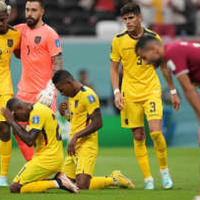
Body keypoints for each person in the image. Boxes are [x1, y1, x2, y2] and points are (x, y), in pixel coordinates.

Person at [110, 2, 173, 189]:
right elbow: (114, 69)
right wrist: (116, 92)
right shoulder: (118, 40)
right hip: (130, 93)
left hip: (151, 90)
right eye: (125, 19)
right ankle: (148, 179)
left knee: (156, 133)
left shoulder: (154, 37)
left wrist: (172, 90)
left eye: (131, 18)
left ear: (139, 17)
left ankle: (164, 172)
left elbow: (162, 65)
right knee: (138, 136)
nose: (128, 22)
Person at [53, 70, 135, 190]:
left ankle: (114, 179)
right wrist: (64, 115)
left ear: (68, 82)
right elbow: (78, 121)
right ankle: (87, 177)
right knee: (63, 183)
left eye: (61, 90)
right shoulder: (72, 97)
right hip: (74, 146)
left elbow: (98, 123)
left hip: (87, 145)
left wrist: (76, 136)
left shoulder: (88, 95)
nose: (62, 93)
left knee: (81, 186)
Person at [13, 0, 63, 162]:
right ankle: (33, 165)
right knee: (18, 129)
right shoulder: (20, 30)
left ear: (42, 12)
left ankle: (49, 169)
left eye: (33, 10)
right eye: (27, 9)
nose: (29, 13)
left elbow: (58, 62)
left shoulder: (50, 33)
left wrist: (51, 86)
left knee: (44, 135)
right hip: (24, 92)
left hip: (44, 93)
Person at [1, 98, 79, 194]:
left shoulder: (37, 113)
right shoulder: (38, 109)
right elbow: (34, 142)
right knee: (26, 185)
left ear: (19, 108)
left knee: (15, 187)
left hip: (47, 159)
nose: (19, 120)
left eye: (16, 117)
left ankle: (59, 182)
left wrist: (12, 122)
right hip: (52, 157)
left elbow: (29, 141)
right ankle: (59, 180)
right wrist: (18, 127)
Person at [135, 35, 200, 144]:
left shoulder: (172, 53)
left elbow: (189, 89)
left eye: (144, 57)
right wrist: (173, 91)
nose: (145, 62)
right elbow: (164, 68)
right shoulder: (169, 49)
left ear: (154, 49)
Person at [0, 0, 20, 186]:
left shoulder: (15, 34)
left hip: (4, 90)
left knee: (5, 129)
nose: (0, 23)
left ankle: (2, 176)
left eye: (2, 19)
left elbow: (21, 53)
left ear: (8, 17)